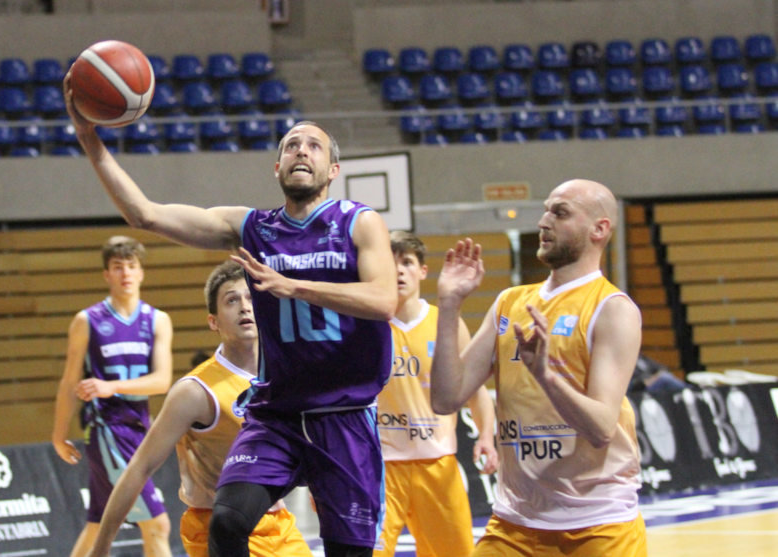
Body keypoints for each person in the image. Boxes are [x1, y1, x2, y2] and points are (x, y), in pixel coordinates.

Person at [64, 69, 397, 557]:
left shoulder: (359, 222)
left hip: (344, 415)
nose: (301, 150)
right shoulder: (251, 227)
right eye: (291, 145)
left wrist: (295, 286)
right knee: (226, 522)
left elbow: (384, 300)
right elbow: (145, 215)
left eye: (314, 146)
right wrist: (90, 139)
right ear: (277, 166)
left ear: (332, 172)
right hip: (277, 412)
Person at [429, 179, 647, 556]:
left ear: (600, 229)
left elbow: (601, 428)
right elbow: (446, 399)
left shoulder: (612, 308)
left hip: (598, 524)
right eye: (546, 209)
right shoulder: (509, 302)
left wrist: (547, 376)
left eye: (560, 212)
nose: (544, 221)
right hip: (516, 523)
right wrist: (449, 306)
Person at [88, 260, 312, 557]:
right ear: (213, 321)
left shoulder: (285, 375)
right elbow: (140, 468)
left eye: (251, 298)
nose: (245, 307)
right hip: (217, 528)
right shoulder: (194, 391)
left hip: (278, 523)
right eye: (232, 300)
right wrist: (101, 548)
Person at [374, 231, 499, 557]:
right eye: (391, 263)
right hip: (381, 467)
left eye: (407, 262)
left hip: (437, 463)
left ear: (423, 271)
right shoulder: (366, 325)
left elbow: (476, 390)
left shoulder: (446, 324)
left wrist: (486, 434)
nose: (399, 270)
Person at [51, 235, 174, 557]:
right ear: (107, 275)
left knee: (99, 525)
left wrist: (113, 386)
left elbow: (162, 381)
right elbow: (68, 383)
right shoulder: (86, 321)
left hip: (139, 430)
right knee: (157, 525)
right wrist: (58, 435)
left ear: (142, 272)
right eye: (118, 267)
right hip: (107, 431)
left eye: (131, 266)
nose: (126, 274)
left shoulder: (157, 320)